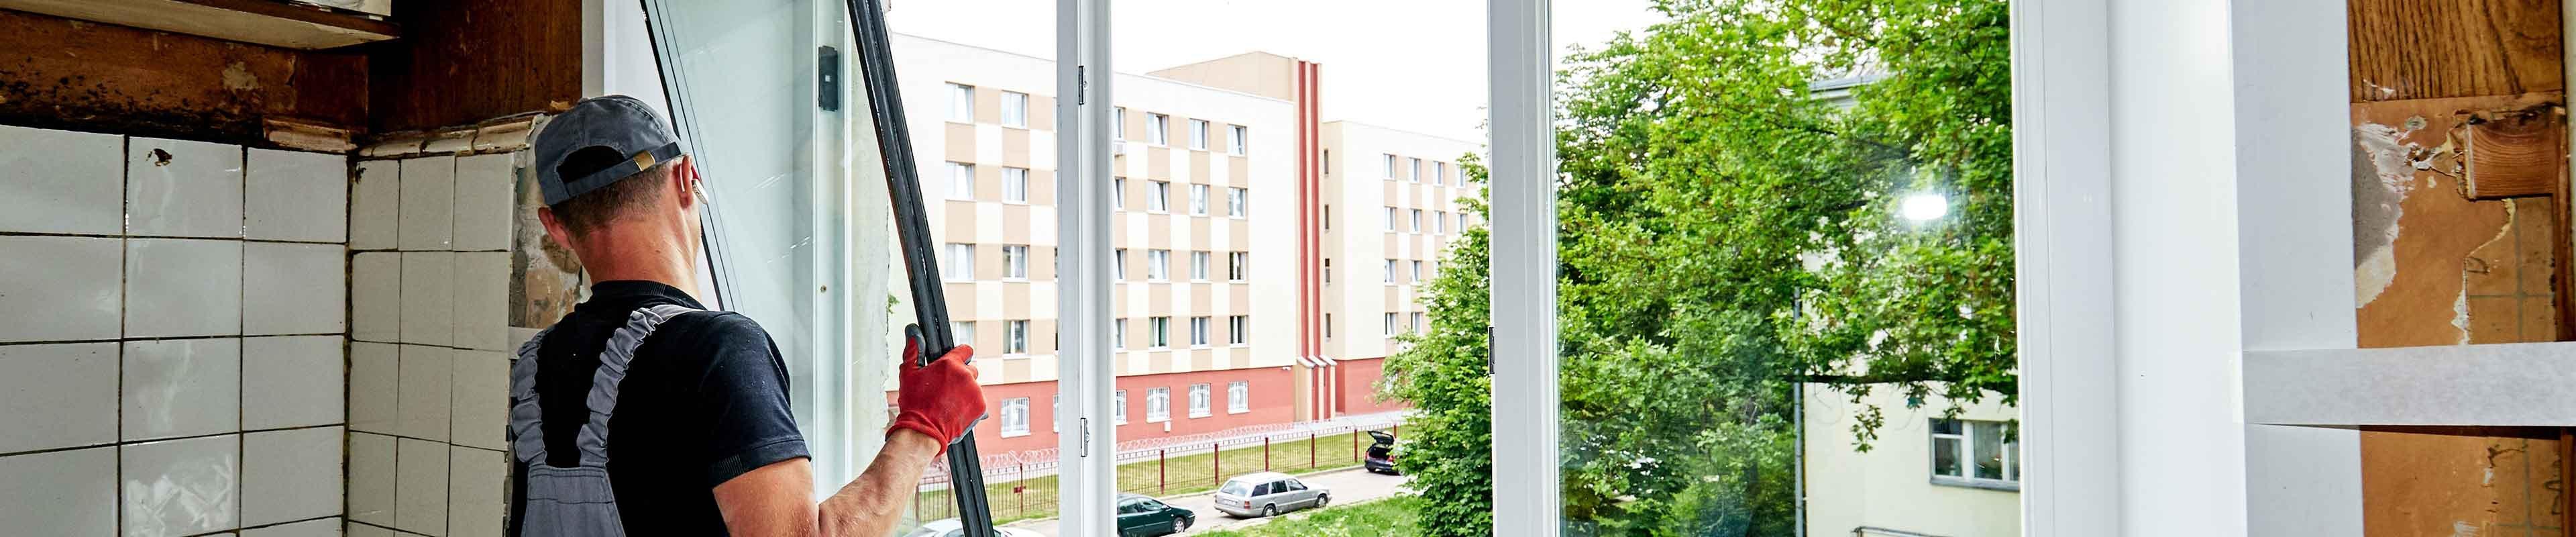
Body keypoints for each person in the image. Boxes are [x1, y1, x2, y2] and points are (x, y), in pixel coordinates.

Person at [509, 95, 987, 536]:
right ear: (685, 178)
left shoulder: (537, 364)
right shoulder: (717, 349)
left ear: (556, 227)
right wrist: (924, 427)